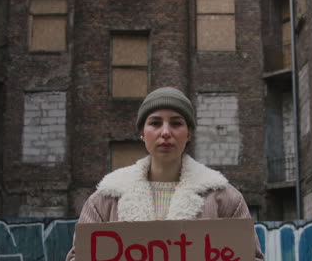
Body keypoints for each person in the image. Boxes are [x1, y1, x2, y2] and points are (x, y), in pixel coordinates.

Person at [66, 87, 265, 261]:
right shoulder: (105, 199)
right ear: (142, 133)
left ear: (189, 134)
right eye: (155, 123)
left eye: (176, 123)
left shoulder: (225, 199)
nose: (166, 132)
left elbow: (251, 257)